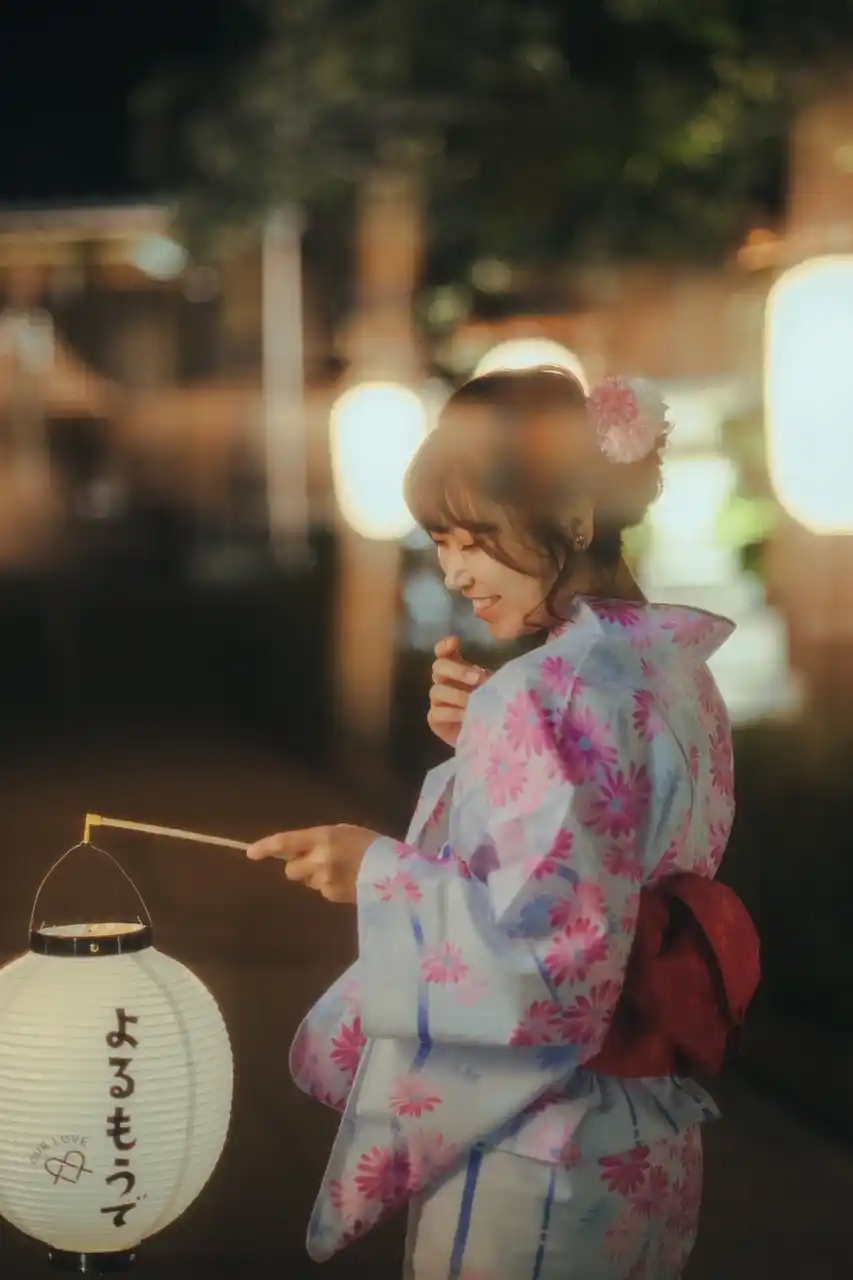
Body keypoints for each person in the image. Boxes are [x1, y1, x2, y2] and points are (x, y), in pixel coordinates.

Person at [246, 366, 753, 1278]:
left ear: (575, 517)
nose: (453, 571)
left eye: (473, 537)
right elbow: (609, 829)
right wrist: (489, 743)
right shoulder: (672, 669)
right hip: (650, 1137)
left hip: (538, 1142)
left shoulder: (544, 692)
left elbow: (546, 955)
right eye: (439, 542)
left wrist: (373, 870)